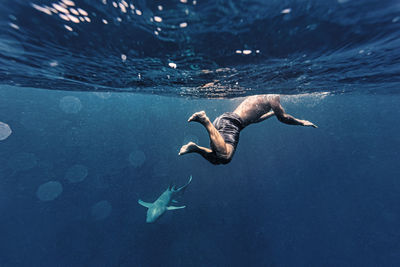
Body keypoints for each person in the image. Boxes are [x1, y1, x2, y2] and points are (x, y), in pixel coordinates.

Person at [178, 94, 317, 165]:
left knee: (217, 160)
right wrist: (301, 122)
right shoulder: (272, 96)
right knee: (225, 157)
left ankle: (194, 148)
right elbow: (284, 118)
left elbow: (253, 119)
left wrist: (272, 114)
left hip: (226, 120)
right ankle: (204, 120)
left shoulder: (261, 96)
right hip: (232, 123)